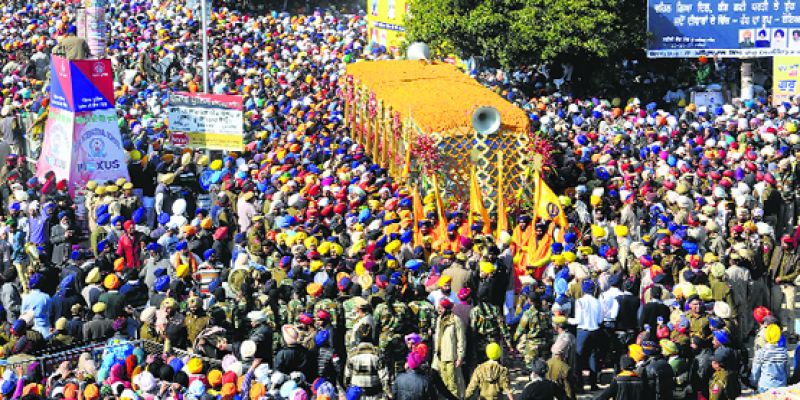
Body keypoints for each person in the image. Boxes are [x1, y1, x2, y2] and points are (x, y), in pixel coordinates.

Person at [569, 279, 602, 392]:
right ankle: (593, 384)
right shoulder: (597, 302)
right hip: (595, 331)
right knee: (593, 357)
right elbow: (600, 319)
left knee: (579, 357)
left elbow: (578, 320)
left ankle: (580, 385)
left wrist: (567, 320)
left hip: (583, 331)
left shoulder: (580, 302)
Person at [433, 297, 466, 398]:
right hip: (440, 356)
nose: (438, 309)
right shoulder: (439, 320)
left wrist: (460, 356)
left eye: (441, 307)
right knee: (443, 384)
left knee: (452, 385)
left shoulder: (456, 320)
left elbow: (461, 340)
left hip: (450, 357)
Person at [751, 324, 789, 392]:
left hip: (765, 386)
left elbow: (755, 371)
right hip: (780, 387)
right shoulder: (784, 352)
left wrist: (753, 383)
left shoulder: (761, 352)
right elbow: (787, 371)